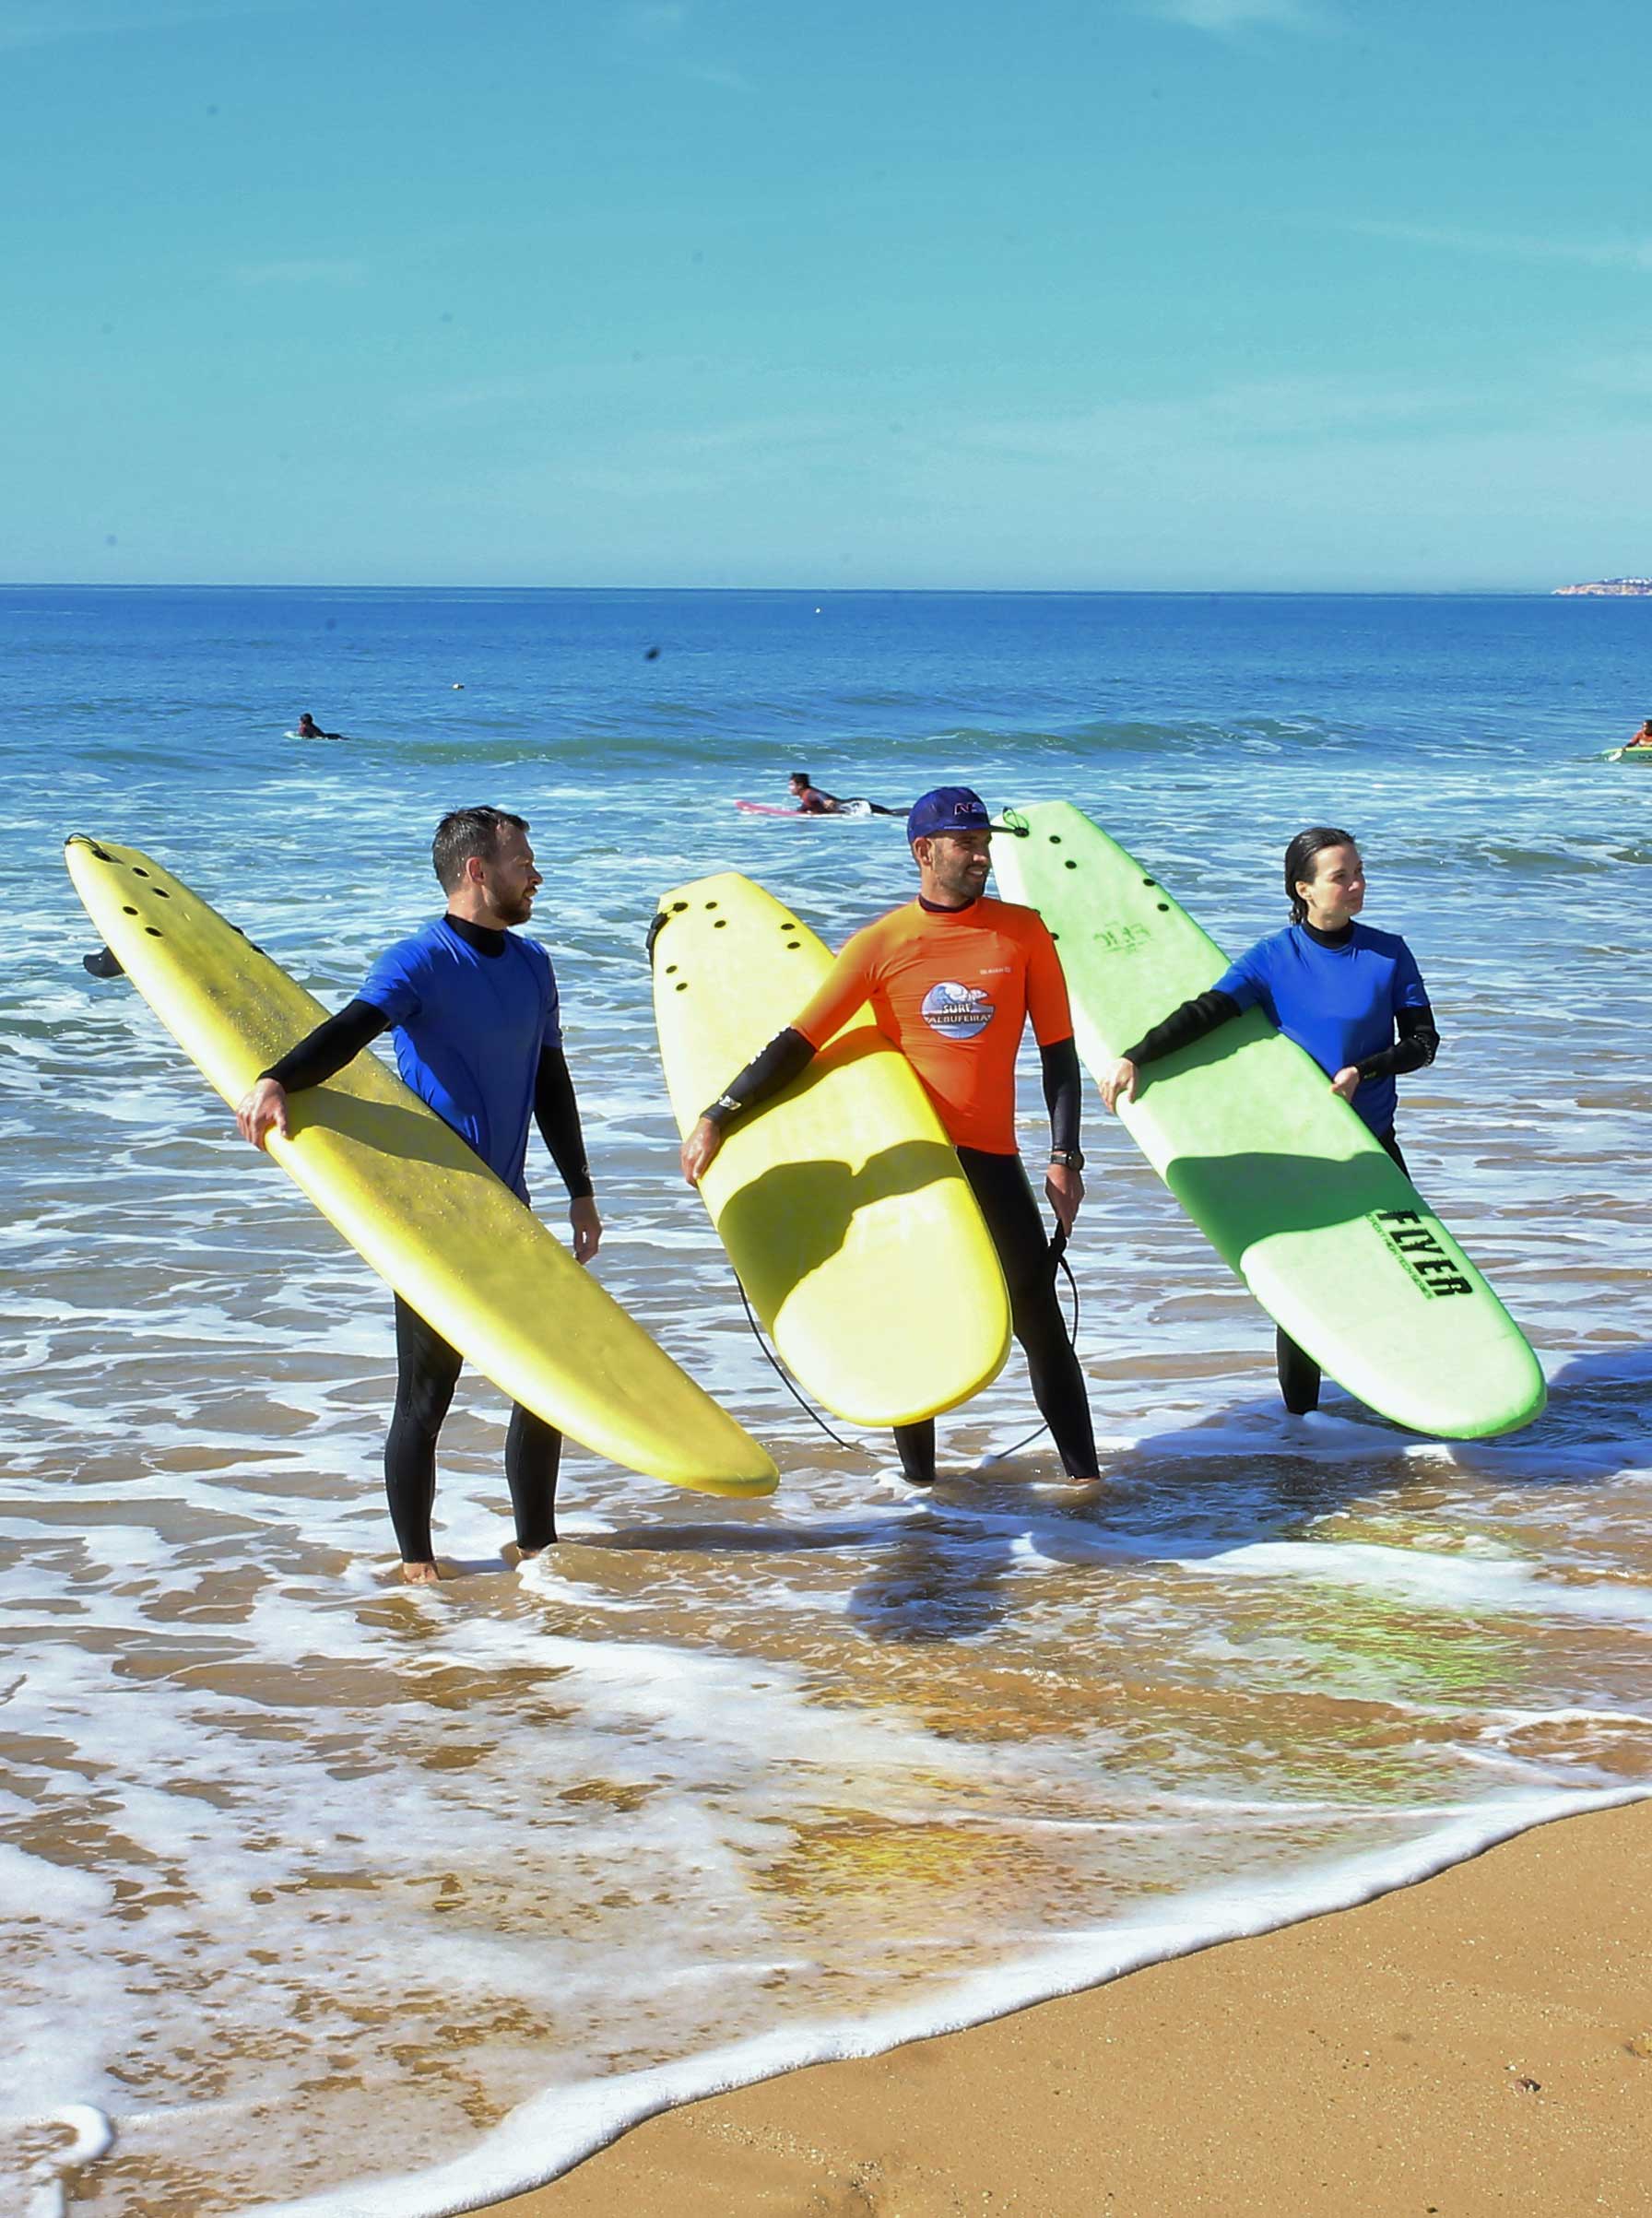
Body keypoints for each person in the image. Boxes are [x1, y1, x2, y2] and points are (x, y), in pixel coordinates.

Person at [681, 785, 1099, 1489]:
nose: (980, 857)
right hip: (914, 1162)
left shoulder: (1022, 933)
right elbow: (799, 1042)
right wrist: (720, 1114)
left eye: (984, 844)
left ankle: (1086, 1482)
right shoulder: (880, 945)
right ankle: (921, 1495)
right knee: (921, 1318)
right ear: (923, 851)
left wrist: (1064, 1158)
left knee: (1040, 1323)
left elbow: (1058, 1052)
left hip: (992, 1157)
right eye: (966, 844)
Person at [234, 808, 602, 1583]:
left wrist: (579, 1189)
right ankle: (417, 1564)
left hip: (512, 1208)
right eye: (523, 860)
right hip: (438, 1217)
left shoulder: (534, 963)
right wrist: (276, 1078)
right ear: (477, 871)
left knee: (545, 1383)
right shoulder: (417, 962)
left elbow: (550, 1081)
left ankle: (537, 1545)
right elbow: (349, 1032)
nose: (536, 874)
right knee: (426, 1397)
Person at [1101, 826, 1439, 1418]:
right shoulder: (1272, 959)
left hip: (1374, 1142)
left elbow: (1422, 1042)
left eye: (1359, 871)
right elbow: (1206, 1013)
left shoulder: (1389, 952)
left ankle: (1414, 1396)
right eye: (1342, 876)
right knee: (1305, 1288)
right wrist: (1137, 1055)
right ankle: (1301, 1426)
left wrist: (1368, 1068)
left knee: (1403, 1272)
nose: (1357, 884)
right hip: (1305, 1147)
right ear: (1303, 888)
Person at [787, 771, 903, 817]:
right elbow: (806, 807)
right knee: (890, 812)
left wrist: (825, 801)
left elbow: (818, 796)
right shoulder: (806, 797)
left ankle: (913, 812)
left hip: (855, 806)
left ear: (800, 785)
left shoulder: (809, 794)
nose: (789, 788)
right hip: (853, 806)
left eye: (791, 784)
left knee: (891, 813)